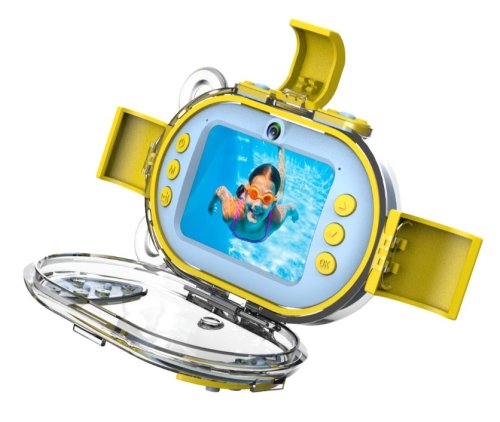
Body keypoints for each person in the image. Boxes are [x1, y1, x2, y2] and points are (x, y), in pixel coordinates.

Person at [208, 149, 298, 243]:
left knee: (280, 188)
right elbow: (221, 191)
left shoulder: (275, 220)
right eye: (253, 193)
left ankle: (281, 150)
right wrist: (211, 204)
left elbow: (291, 208)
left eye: (267, 198)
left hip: (265, 200)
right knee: (257, 186)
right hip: (244, 197)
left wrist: (295, 216)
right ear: (245, 194)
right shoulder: (230, 214)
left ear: (272, 205)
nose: (258, 205)